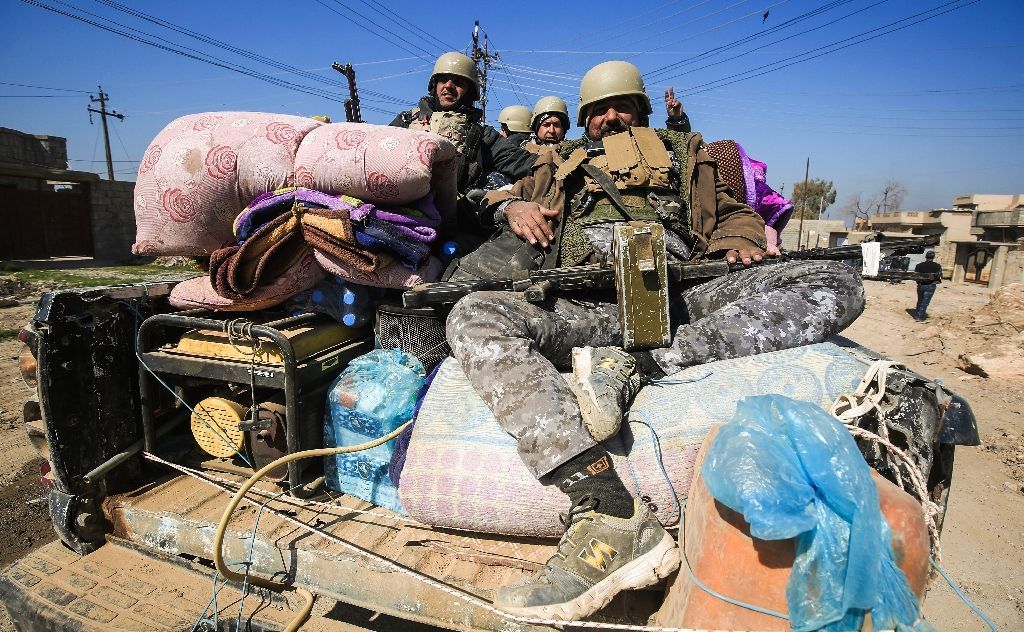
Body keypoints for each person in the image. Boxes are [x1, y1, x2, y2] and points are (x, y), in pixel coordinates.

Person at [445, 60, 865, 621]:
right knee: (475, 315)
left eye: (624, 107)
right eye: (599, 110)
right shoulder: (559, 166)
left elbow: (736, 215)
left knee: (835, 280)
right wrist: (512, 204)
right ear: (585, 120)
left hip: (684, 297)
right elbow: (482, 197)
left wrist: (740, 242)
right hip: (590, 307)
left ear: (642, 111)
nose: (612, 118)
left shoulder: (690, 156)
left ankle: (648, 361)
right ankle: (609, 509)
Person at [390, 52, 536, 238]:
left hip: (451, 221)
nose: (448, 86)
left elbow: (521, 162)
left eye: (458, 82)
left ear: (470, 90)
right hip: (399, 210)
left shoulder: (482, 135)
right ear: (435, 85)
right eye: (443, 79)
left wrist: (563, 165)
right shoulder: (406, 120)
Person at [913, 250, 942, 321]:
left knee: (920, 300)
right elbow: (939, 277)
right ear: (933, 257)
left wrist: (919, 282)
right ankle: (919, 317)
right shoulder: (938, 266)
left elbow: (915, 276)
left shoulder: (919, 265)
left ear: (926, 257)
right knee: (925, 302)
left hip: (921, 285)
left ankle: (917, 313)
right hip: (930, 286)